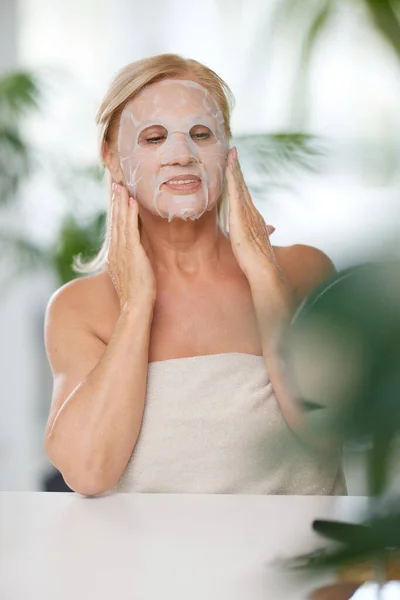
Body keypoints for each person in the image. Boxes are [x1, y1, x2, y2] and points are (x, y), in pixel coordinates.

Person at [43, 53, 346, 496]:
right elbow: (90, 472)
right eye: (153, 137)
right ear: (111, 156)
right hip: (150, 565)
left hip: (301, 561)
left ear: (225, 148)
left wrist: (263, 274)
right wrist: (136, 304)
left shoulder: (304, 270)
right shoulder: (80, 308)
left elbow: (328, 430)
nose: (181, 154)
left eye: (201, 134)